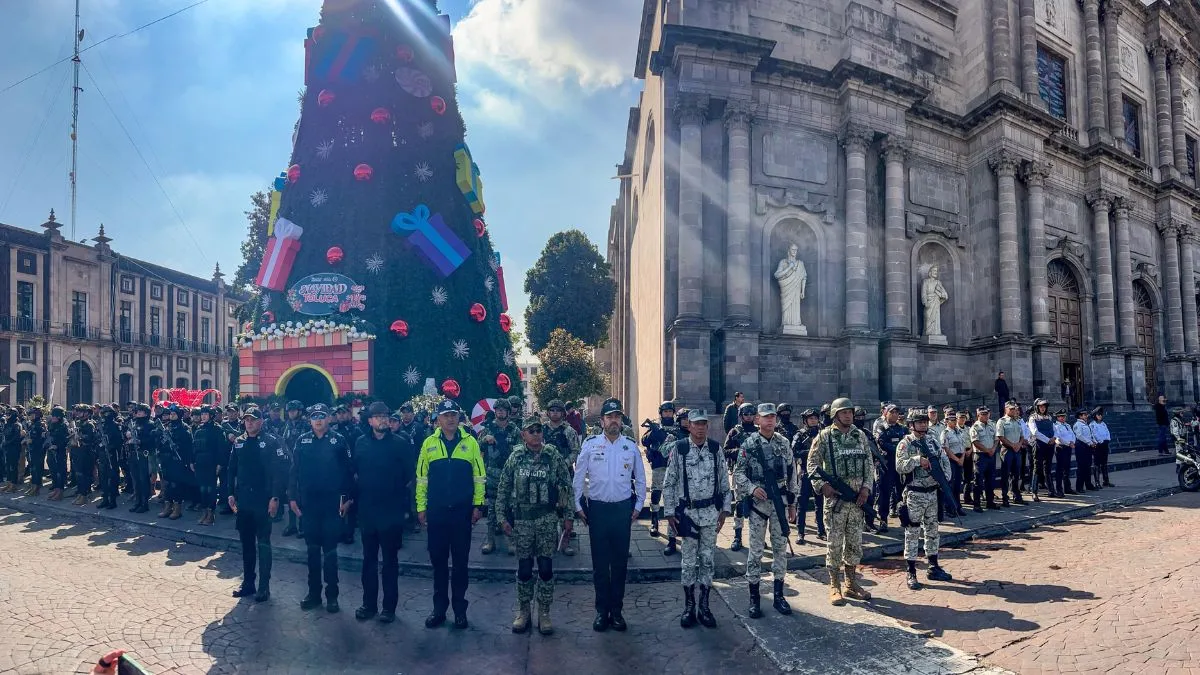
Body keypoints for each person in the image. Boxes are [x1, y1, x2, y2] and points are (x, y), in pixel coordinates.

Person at [496, 413, 575, 635]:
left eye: (539, 430)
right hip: (522, 521)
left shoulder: (552, 456)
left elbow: (566, 485)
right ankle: (523, 611)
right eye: (532, 431)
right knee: (523, 569)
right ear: (523, 435)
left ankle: (544, 612)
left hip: (547, 519)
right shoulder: (516, 458)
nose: (537, 434)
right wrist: (501, 518)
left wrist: (568, 517)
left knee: (546, 567)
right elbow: (503, 487)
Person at [573, 398, 646, 632]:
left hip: (622, 511)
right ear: (602, 420)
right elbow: (579, 476)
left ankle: (617, 612)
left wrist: (638, 506)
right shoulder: (590, 444)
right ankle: (601, 611)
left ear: (621, 420)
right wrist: (577, 504)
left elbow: (641, 479)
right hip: (598, 511)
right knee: (600, 565)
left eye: (617, 416)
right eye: (610, 416)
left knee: (620, 564)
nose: (614, 420)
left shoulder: (630, 446)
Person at [416, 399, 486, 629]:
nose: (450, 419)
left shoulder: (470, 443)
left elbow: (479, 476)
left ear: (459, 417)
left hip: (461, 514)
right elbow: (422, 479)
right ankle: (439, 609)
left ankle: (459, 609)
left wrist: (478, 505)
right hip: (437, 513)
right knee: (438, 562)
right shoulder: (429, 443)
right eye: (446, 415)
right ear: (438, 419)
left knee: (460, 563)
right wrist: (421, 507)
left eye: (454, 414)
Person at [663, 408, 729, 629]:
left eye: (703, 424)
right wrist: (670, 512)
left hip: (710, 514)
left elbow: (724, 482)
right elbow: (669, 482)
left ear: (707, 426)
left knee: (708, 561)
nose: (700, 427)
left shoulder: (715, 449)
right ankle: (689, 605)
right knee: (689, 562)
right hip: (688, 515)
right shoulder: (679, 449)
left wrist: (725, 511)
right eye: (696, 424)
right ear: (688, 425)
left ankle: (705, 606)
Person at [807, 398, 875, 606]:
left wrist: (866, 488)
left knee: (854, 544)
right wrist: (822, 487)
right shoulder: (824, 436)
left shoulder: (860, 435)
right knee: (835, 544)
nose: (848, 416)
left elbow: (869, 465)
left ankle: (851, 584)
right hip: (836, 502)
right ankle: (835, 585)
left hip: (857, 501)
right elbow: (812, 464)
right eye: (844, 412)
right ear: (835, 415)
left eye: (850, 412)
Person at [352, 402, 415, 623]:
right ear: (369, 421)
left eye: (385, 416)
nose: (382, 420)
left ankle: (389, 607)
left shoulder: (400, 443)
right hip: (368, 511)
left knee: (390, 561)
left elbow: (410, 475)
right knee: (368, 560)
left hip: (391, 512)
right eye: (377, 417)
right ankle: (368, 604)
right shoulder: (360, 443)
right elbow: (355, 473)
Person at [733, 403, 796, 618]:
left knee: (780, 549)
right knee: (756, 552)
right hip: (759, 505)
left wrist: (792, 503)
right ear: (757, 420)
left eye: (772, 417)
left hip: (779, 502)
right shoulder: (748, 444)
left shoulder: (784, 442)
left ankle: (779, 595)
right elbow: (738, 473)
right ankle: (754, 598)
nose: (769, 420)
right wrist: (752, 488)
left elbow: (791, 473)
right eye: (765, 417)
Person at [290, 403, 354, 613]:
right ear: (309, 420)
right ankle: (314, 593)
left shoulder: (338, 440)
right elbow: (294, 471)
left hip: (331, 504)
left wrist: (348, 499)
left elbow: (348, 472)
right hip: (309, 504)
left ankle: (332, 595)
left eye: (322, 416)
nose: (318, 420)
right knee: (312, 551)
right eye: (314, 416)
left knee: (331, 551)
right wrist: (292, 498)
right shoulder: (302, 440)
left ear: (328, 419)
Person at [228, 406, 288, 602]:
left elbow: (279, 473)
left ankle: (264, 587)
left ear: (261, 421)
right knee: (246, 545)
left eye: (253, 419)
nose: (250, 423)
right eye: (247, 420)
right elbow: (231, 469)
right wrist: (230, 493)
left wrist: (276, 497)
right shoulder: (239, 442)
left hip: (264, 500)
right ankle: (248, 584)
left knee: (263, 544)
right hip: (244, 501)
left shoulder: (271, 442)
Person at [896, 409, 953, 590]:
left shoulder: (932, 440)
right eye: (919, 422)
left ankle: (933, 566)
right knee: (912, 532)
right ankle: (911, 571)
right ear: (911, 425)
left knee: (932, 530)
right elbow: (900, 466)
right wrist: (916, 460)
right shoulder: (905, 444)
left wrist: (945, 477)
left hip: (932, 492)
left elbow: (943, 458)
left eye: (924, 422)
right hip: (915, 493)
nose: (923, 425)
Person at [480, 398, 521, 555]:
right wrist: (485, 439)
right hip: (492, 475)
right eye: (498, 409)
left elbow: (520, 450)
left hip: (509, 475)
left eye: (504, 409)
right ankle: (490, 541)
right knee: (491, 510)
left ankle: (511, 540)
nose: (500, 411)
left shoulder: (514, 430)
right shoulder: (488, 428)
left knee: (510, 508)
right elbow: (477, 445)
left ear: (508, 412)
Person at [641, 401, 680, 553]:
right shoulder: (655, 425)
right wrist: (653, 432)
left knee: (673, 497)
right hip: (659, 464)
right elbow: (645, 440)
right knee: (656, 492)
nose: (668, 414)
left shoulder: (678, 426)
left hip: (674, 465)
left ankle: (673, 528)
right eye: (665, 412)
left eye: (670, 412)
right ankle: (654, 520)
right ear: (661, 413)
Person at [723, 402, 757, 551]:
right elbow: (725, 451)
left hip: (757, 473)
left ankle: (757, 537)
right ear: (741, 416)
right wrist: (740, 451)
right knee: (740, 505)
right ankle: (737, 537)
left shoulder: (759, 431)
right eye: (746, 414)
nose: (748, 417)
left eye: (751, 414)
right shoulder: (735, 432)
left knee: (758, 506)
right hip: (741, 472)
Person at [791, 409, 825, 543]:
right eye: (810, 419)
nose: (813, 421)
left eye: (815, 418)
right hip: (805, 471)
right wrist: (810, 452)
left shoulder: (822, 434)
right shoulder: (800, 434)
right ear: (805, 420)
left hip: (820, 472)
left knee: (820, 503)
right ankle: (800, 533)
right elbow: (794, 451)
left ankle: (821, 531)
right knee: (802, 503)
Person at [874, 404, 907, 532]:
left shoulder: (902, 429)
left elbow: (907, 443)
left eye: (896, 412)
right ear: (886, 413)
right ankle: (883, 521)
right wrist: (899, 449)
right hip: (886, 465)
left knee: (902, 493)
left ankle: (905, 520)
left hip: (900, 465)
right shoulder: (881, 427)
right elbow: (882, 443)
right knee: (884, 494)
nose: (894, 414)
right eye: (892, 412)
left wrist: (899, 449)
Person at [192, 406, 226, 526]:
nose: (203, 416)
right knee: (202, 488)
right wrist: (192, 461)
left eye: (206, 414)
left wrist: (220, 464)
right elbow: (194, 447)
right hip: (200, 462)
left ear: (211, 415)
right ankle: (205, 511)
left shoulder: (218, 429)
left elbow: (222, 448)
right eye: (202, 414)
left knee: (210, 489)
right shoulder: (199, 429)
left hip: (211, 462)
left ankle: (211, 513)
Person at [995, 401, 1027, 506]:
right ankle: (1005, 497)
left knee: (1016, 474)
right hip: (1007, 449)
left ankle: (1016, 495)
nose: (1014, 411)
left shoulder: (1017, 421)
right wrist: (1012, 445)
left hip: (1017, 450)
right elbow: (1000, 436)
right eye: (1011, 409)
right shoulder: (1002, 421)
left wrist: (1019, 444)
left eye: (1015, 409)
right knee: (1005, 474)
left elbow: (1022, 435)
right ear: (1006, 409)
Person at [939, 409, 968, 516]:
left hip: (960, 458)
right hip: (951, 460)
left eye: (955, 420)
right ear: (947, 421)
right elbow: (946, 449)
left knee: (957, 485)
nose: (954, 422)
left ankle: (958, 506)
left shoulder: (959, 431)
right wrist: (957, 459)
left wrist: (962, 458)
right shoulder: (945, 433)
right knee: (950, 485)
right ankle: (950, 508)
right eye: (951, 420)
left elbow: (963, 445)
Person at [969, 406, 998, 511]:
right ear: (978, 415)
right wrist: (987, 450)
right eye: (983, 414)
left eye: (987, 414)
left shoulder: (992, 425)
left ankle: (990, 502)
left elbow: (996, 438)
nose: (986, 416)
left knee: (990, 480)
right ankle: (977, 504)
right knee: (978, 480)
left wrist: (993, 449)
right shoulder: (975, 427)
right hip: (980, 456)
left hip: (991, 455)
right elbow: (975, 442)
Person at [1027, 399, 1055, 499]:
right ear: (1037, 407)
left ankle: (1051, 490)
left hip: (1050, 445)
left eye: (1044, 406)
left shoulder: (1049, 417)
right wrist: (1048, 440)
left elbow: (1054, 429)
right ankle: (1034, 492)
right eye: (1040, 406)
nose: (1043, 408)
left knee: (1048, 468)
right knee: (1037, 468)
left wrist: (1054, 438)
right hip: (1039, 445)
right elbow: (1035, 432)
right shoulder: (1032, 417)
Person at [96, 407, 123, 510]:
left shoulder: (116, 426)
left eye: (106, 414)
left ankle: (112, 501)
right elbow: (97, 438)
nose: (104, 416)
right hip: (102, 454)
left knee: (112, 478)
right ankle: (105, 499)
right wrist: (100, 445)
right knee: (103, 477)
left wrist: (110, 446)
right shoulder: (102, 426)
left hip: (112, 455)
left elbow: (119, 441)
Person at [1072, 409, 1098, 492]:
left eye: (1086, 414)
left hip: (1088, 446)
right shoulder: (1078, 424)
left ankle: (1088, 484)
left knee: (1087, 466)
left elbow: (1090, 434)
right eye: (1084, 415)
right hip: (1081, 447)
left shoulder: (1085, 424)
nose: (1086, 416)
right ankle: (1079, 487)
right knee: (1082, 467)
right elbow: (1079, 436)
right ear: (1080, 416)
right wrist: (1090, 442)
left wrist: (1094, 441)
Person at [1052, 409, 1077, 495]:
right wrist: (1068, 443)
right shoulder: (1055, 426)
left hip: (1068, 448)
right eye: (1060, 416)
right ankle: (1059, 489)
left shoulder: (1067, 425)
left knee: (1067, 469)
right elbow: (1058, 437)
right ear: (1057, 417)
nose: (1062, 418)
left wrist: (1073, 442)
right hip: (1061, 447)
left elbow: (1073, 434)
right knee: (1060, 469)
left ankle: (1068, 488)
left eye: (1063, 416)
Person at [24, 407, 46, 497]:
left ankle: (36, 487)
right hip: (32, 449)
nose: (30, 416)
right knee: (33, 468)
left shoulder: (40, 425)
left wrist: (33, 441)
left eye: (32, 414)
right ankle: (33, 485)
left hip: (38, 450)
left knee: (37, 469)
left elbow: (43, 439)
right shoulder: (32, 424)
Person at [1090, 407, 1114, 487]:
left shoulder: (1103, 424)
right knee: (1097, 464)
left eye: (1101, 415)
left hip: (1104, 445)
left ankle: (1106, 481)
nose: (1100, 416)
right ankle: (1097, 482)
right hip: (1098, 446)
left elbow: (1107, 432)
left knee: (1104, 463)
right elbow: (1094, 435)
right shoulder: (1092, 425)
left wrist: (1107, 439)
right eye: (1098, 415)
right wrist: (1100, 441)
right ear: (1094, 416)